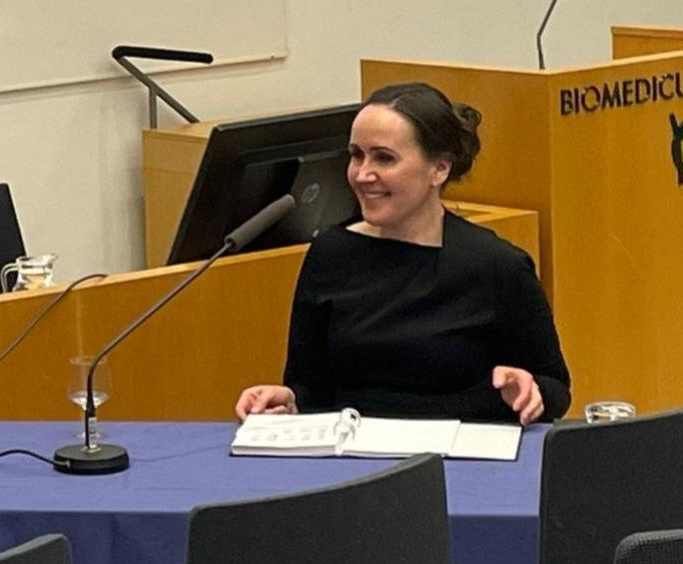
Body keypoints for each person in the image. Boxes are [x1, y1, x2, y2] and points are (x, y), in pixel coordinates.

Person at [236, 82, 570, 425]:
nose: (363, 174)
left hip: (461, 462)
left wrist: (531, 392)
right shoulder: (331, 253)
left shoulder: (497, 265)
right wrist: (287, 401)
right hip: (351, 461)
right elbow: (309, 387)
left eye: (384, 158)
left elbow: (556, 388)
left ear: (439, 169)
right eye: (355, 155)